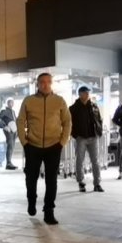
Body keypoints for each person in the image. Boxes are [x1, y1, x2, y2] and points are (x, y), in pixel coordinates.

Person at [17, 72, 72, 225]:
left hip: (54, 146)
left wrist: (62, 141)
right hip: (32, 146)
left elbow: (67, 121)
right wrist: (24, 142)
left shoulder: (59, 101)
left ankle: (49, 211)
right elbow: (20, 121)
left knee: (51, 180)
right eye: (42, 82)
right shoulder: (29, 101)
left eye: (48, 82)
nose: (45, 84)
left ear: (51, 84)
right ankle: (31, 200)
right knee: (31, 177)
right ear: (37, 84)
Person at [69, 86, 104, 193]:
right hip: (81, 138)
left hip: (93, 137)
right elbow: (68, 123)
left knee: (96, 161)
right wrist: (75, 135)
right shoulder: (73, 108)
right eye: (85, 92)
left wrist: (99, 132)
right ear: (80, 94)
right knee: (79, 160)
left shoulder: (94, 106)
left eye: (88, 92)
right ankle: (81, 182)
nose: (88, 94)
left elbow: (99, 120)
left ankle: (97, 184)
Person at [0, 98, 18, 170]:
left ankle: (10, 163)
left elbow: (14, 120)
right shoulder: (4, 111)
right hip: (8, 130)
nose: (11, 104)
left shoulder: (13, 111)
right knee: (10, 145)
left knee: (12, 146)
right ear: (7, 103)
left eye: (12, 102)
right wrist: (4, 126)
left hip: (14, 131)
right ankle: (8, 164)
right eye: (10, 102)